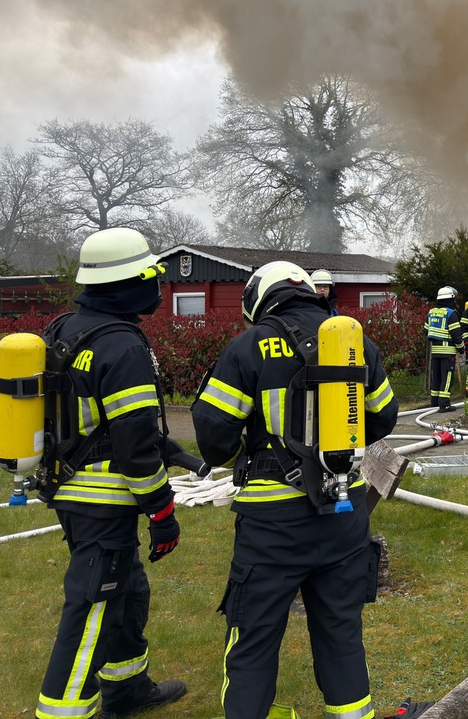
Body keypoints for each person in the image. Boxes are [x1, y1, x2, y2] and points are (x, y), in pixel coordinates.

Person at [191, 260, 399, 719]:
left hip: (273, 525)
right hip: (344, 513)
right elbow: (384, 416)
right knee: (342, 633)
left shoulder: (248, 347)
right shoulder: (354, 342)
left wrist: (254, 449)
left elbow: (214, 439)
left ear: (258, 300)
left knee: (253, 637)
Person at [34, 227, 186, 719]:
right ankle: (61, 711)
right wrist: (162, 513)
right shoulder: (121, 346)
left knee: (126, 591)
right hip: (103, 499)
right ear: (128, 284)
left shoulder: (65, 329)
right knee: (92, 608)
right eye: (151, 277)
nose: (157, 287)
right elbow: (135, 446)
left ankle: (127, 690)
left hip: (69, 488)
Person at [425, 285, 465, 412]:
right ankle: (444, 405)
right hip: (447, 352)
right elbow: (456, 335)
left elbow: (425, 330)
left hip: (435, 351)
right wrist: (461, 349)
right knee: (447, 377)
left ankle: (435, 402)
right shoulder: (451, 314)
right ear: (450, 299)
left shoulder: (431, 312)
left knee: (436, 377)